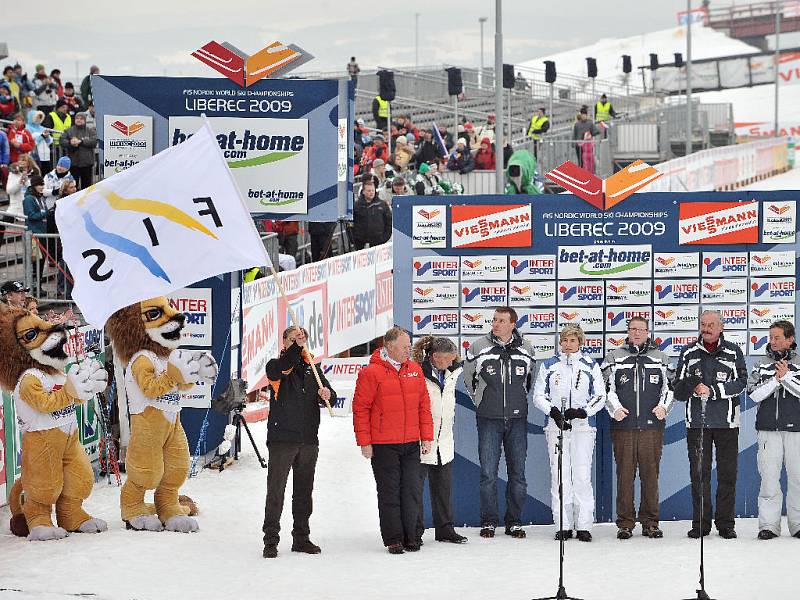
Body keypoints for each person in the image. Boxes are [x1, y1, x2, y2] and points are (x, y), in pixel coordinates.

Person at [353, 326, 434, 554]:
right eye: (405, 347)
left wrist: (426, 436)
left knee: (411, 490)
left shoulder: (415, 370)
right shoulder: (371, 372)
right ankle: (394, 538)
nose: (409, 350)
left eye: (409, 346)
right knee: (389, 492)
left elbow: (423, 406)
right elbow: (361, 409)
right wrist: (365, 442)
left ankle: (411, 536)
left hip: (410, 443)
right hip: (383, 444)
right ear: (390, 346)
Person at [262, 326, 335, 559]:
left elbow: (328, 390)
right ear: (284, 342)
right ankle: (270, 540)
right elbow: (281, 368)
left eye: (301, 339)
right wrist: (296, 348)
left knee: (304, 491)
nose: (298, 343)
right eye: (293, 339)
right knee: (276, 491)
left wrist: (327, 395)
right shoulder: (277, 365)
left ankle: (301, 537)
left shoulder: (312, 366)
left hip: (308, 438)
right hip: (282, 437)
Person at [463, 307, 536, 539]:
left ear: (513, 324)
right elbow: (468, 379)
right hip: (488, 419)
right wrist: (482, 402)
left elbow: (529, 381)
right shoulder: (478, 347)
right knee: (488, 474)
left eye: (501, 320)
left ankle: (514, 522)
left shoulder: (527, 348)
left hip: (517, 420)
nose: (496, 324)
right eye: (494, 320)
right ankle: (489, 521)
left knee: (518, 474)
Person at [673, 310, 746, 539]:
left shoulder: (734, 351)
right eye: (703, 324)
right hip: (697, 424)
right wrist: (691, 385)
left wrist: (713, 391)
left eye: (711, 324)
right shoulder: (688, 352)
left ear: (721, 327)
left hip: (727, 424)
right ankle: (701, 524)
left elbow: (742, 383)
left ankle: (726, 525)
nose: (706, 328)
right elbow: (677, 388)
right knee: (699, 475)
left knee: (727, 475)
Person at [601, 317, 673, 539]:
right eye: (633, 329)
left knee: (651, 475)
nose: (637, 333)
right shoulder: (614, 357)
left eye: (641, 329)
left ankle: (651, 522)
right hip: (623, 426)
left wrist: (664, 408)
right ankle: (625, 523)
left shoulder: (660, 357)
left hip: (652, 427)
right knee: (625, 476)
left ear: (648, 332)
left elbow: (670, 388)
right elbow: (604, 389)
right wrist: (615, 409)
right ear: (628, 331)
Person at [533, 324, 606, 542]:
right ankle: (563, 525)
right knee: (560, 476)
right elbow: (538, 395)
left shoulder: (590, 365)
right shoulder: (549, 365)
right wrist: (553, 412)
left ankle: (584, 525)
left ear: (580, 343)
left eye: (572, 340)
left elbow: (600, 396)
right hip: (556, 428)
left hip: (583, 428)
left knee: (582, 475)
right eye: (564, 340)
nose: (567, 344)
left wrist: (583, 412)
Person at [747, 320, 800, 540]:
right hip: (768, 430)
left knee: (798, 478)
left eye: (777, 337)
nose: (773, 341)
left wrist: (787, 377)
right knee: (769, 479)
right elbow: (753, 394)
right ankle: (768, 525)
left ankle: (797, 525)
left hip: (797, 430)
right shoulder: (760, 363)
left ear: (790, 339)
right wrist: (776, 380)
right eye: (770, 337)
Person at [412, 336, 468, 545]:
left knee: (443, 489)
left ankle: (445, 529)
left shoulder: (453, 371)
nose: (452, 361)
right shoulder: (417, 373)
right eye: (448, 359)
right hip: (422, 439)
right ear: (435, 357)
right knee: (415, 491)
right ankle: (414, 532)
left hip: (444, 440)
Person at [352, 178, 392, 250]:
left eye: (373, 190)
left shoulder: (382, 204)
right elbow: (351, 223)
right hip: (361, 244)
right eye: (369, 191)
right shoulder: (356, 206)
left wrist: (384, 238)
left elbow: (389, 222)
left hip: (379, 243)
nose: (371, 192)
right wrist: (354, 239)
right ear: (363, 191)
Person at [60, 112, 97, 190]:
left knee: (87, 187)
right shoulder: (68, 130)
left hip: (87, 163)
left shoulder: (90, 131)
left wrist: (81, 142)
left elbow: (94, 142)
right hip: (73, 164)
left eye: (81, 119)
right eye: (77, 118)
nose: (79, 120)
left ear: (85, 120)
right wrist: (70, 143)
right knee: (72, 186)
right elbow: (62, 140)